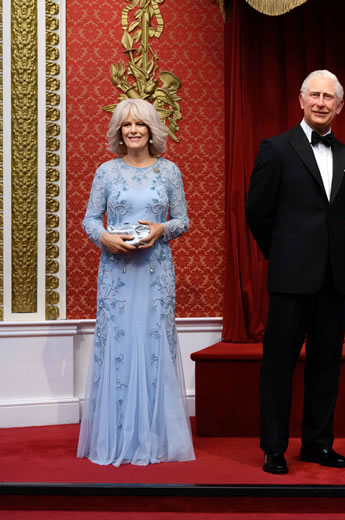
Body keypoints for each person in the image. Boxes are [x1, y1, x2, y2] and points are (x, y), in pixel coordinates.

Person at [245, 70, 345, 475]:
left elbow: (344, 215)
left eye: (329, 97)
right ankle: (274, 448)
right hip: (290, 277)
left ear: (339, 106)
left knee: (326, 366)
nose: (321, 102)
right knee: (278, 365)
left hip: (334, 278)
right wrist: (282, 254)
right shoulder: (275, 149)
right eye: (315, 95)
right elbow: (256, 212)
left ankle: (317, 444)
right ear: (300, 99)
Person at [78, 98, 194, 466]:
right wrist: (104, 238)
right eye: (126, 125)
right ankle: (116, 437)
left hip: (156, 270)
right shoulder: (106, 172)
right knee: (119, 344)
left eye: (139, 124)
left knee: (153, 343)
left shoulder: (169, 171)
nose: (132, 130)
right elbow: (90, 220)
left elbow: (183, 221)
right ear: (118, 131)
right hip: (116, 273)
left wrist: (162, 229)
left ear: (151, 130)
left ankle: (155, 438)